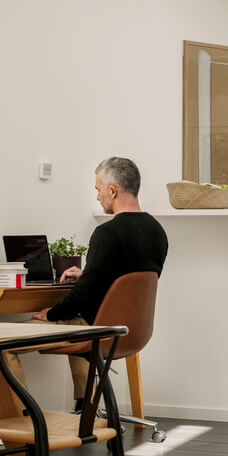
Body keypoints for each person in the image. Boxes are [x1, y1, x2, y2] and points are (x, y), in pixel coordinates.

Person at [32, 156, 168, 410]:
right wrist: (88, 274)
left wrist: (51, 314)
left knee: (1, 345)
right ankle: (85, 411)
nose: (97, 197)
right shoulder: (157, 231)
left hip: (98, 329)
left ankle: (22, 420)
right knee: (82, 327)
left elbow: (83, 295)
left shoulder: (107, 233)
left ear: (112, 190)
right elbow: (124, 280)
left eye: (98, 189)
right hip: (132, 331)